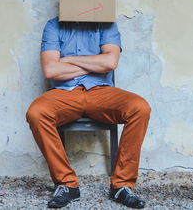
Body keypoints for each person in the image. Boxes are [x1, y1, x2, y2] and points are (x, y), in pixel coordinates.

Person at [26, 17, 151, 208]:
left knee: (140, 108)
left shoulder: (107, 23)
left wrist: (68, 61)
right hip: (64, 92)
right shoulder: (53, 25)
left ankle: (121, 185)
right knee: (37, 113)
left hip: (101, 91)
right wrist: (93, 64)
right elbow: (51, 69)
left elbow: (110, 62)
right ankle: (67, 184)